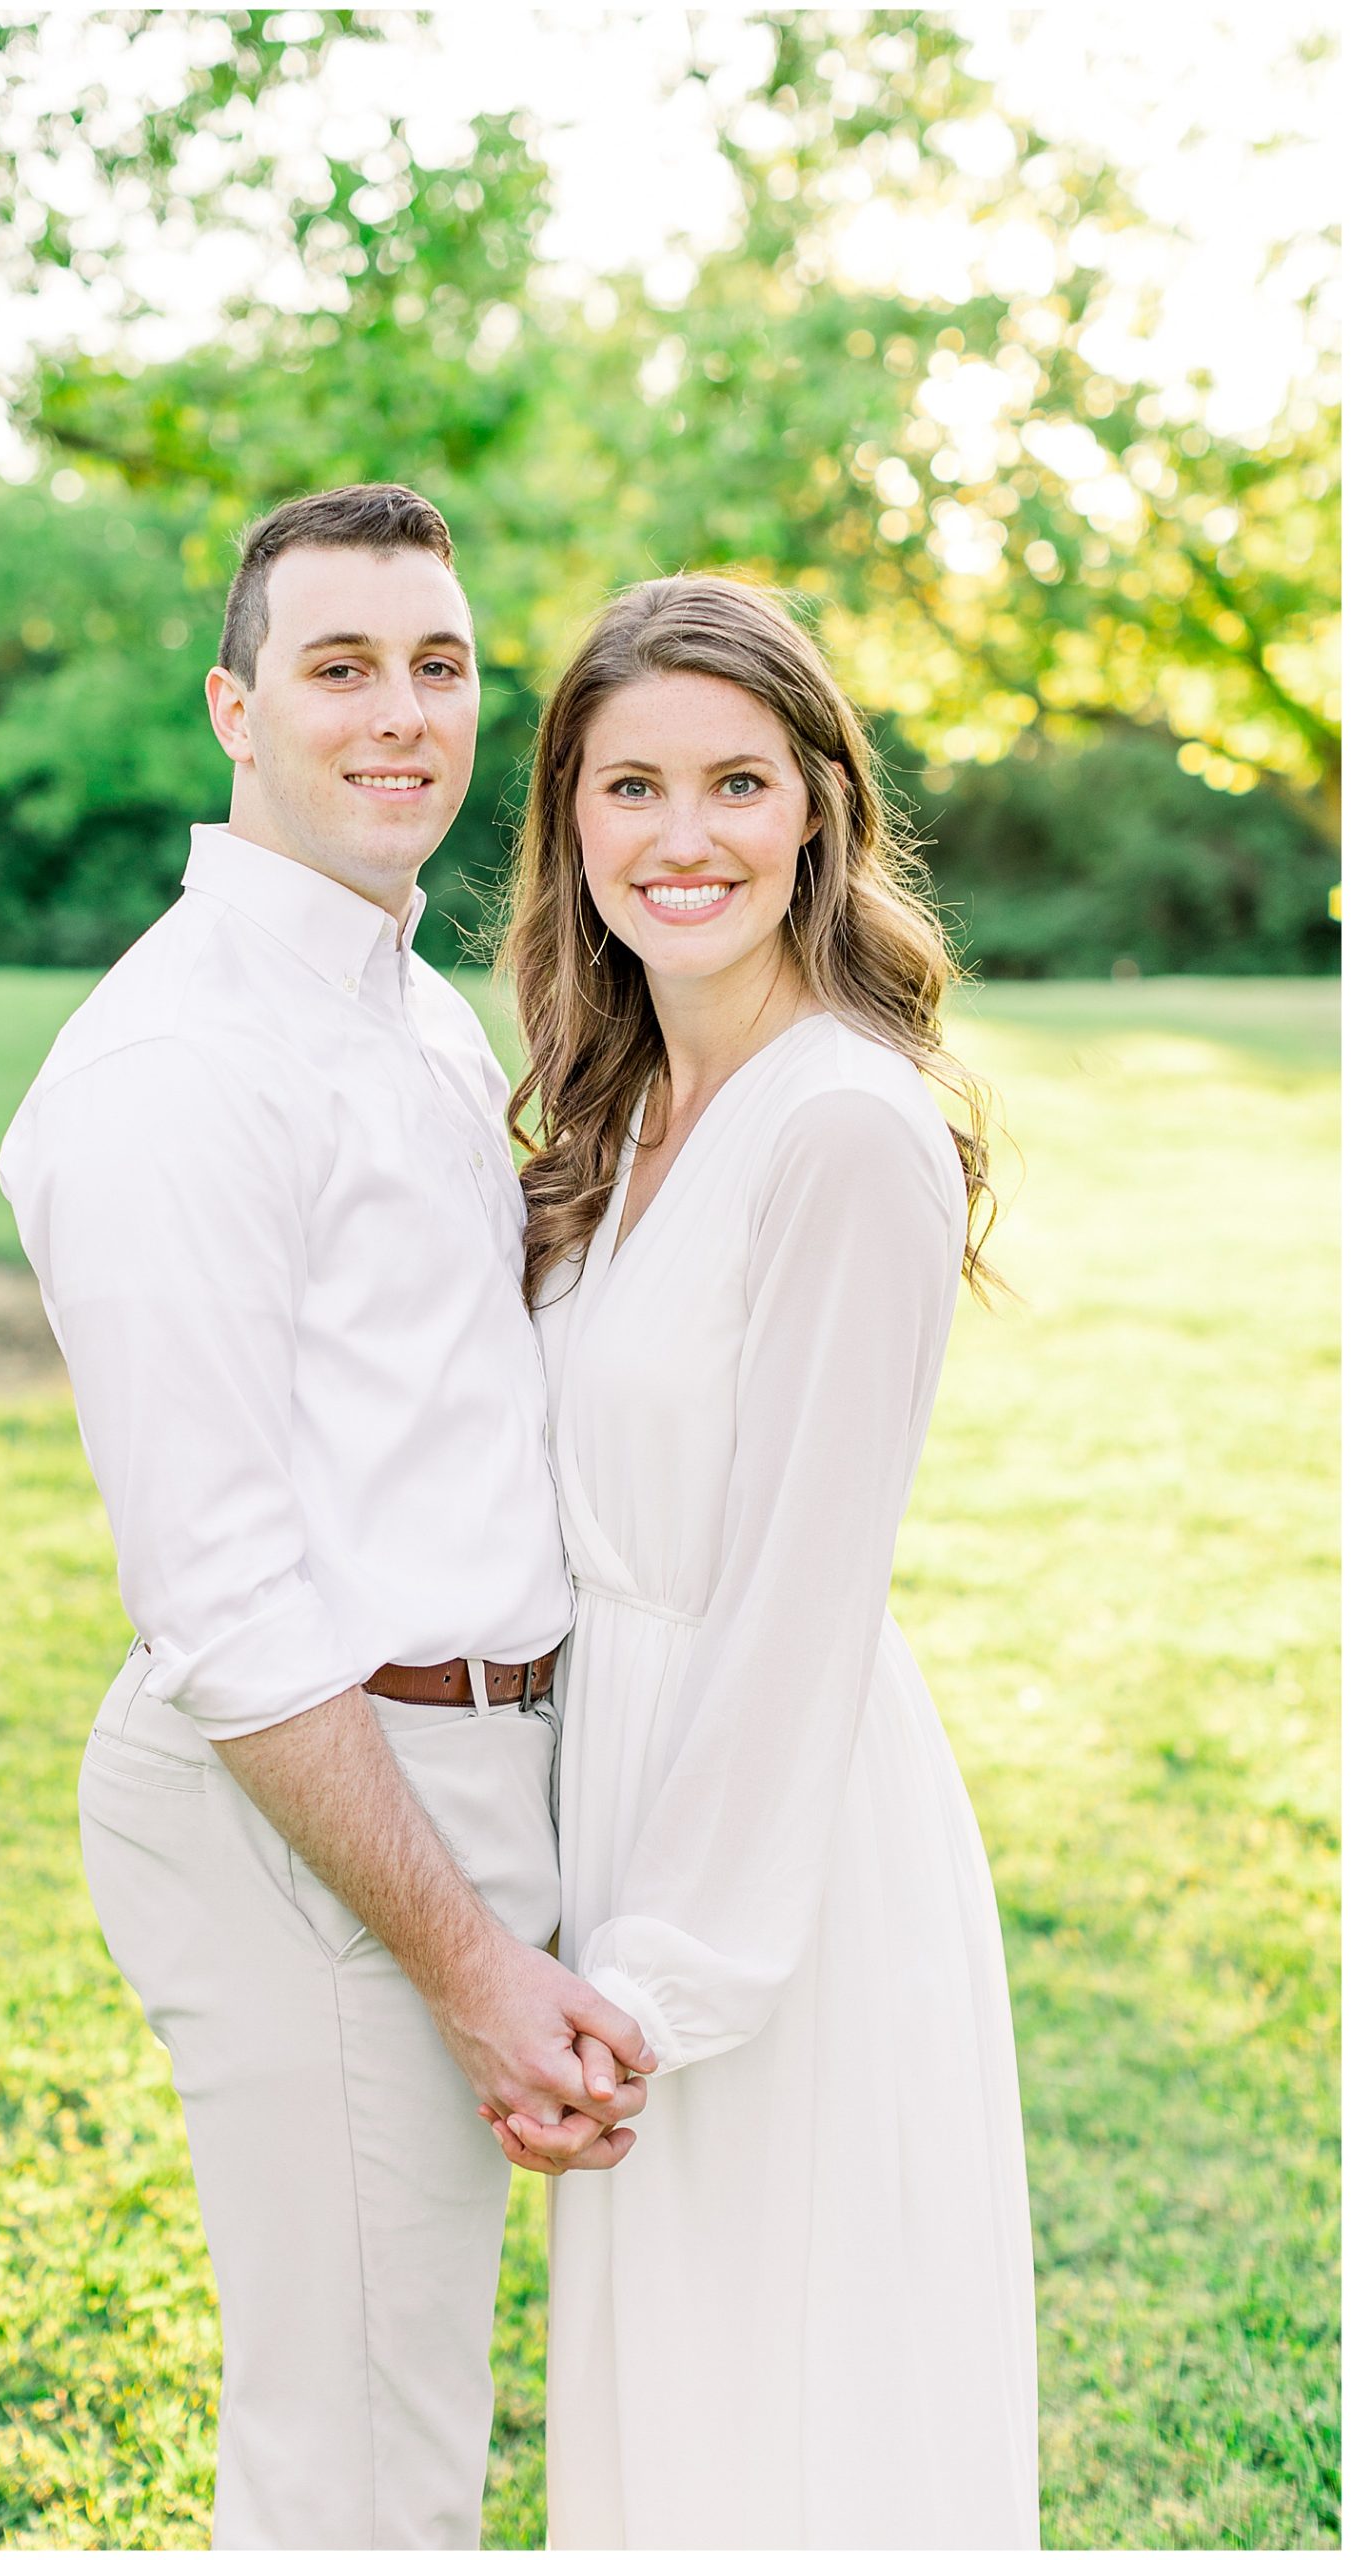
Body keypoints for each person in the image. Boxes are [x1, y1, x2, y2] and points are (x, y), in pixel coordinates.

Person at [0, 484, 654, 2552]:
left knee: (401, 2409)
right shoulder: (175, 1066)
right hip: (313, 1801)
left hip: (460, 1760)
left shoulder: (406, 1010)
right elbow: (225, 1605)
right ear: (234, 707)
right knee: (360, 2463)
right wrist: (466, 1959)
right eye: (339, 666)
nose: (399, 714)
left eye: (437, 666)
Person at [488, 575, 1040, 2548]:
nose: (683, 834)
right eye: (629, 784)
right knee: (666, 2409)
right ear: (569, 818)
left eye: (735, 780)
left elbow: (800, 1602)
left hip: (766, 1853)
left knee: (785, 2400)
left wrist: (654, 1982)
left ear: (818, 805)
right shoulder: (623, 1103)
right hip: (620, 1793)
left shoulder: (843, 1129)